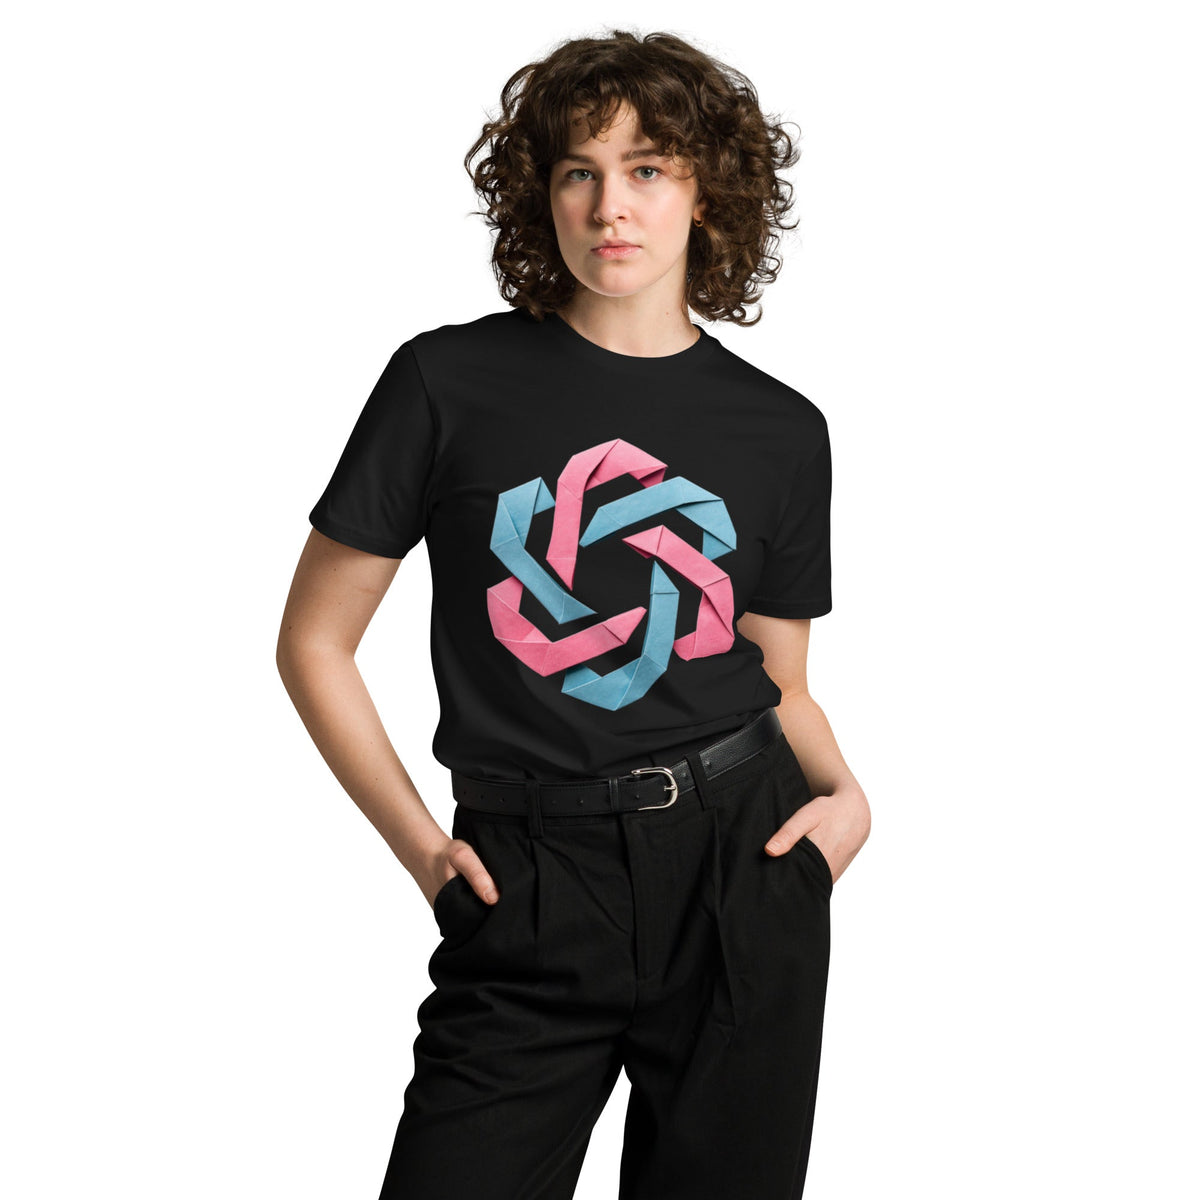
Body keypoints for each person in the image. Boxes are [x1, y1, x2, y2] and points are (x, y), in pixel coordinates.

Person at [277, 28, 871, 1200]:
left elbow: (780, 680)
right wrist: (425, 856)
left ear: (707, 192)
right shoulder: (444, 384)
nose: (611, 206)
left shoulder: (783, 431)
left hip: (741, 866)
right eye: (577, 172)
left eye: (648, 169)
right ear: (537, 194)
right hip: (528, 875)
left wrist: (846, 799)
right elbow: (314, 642)